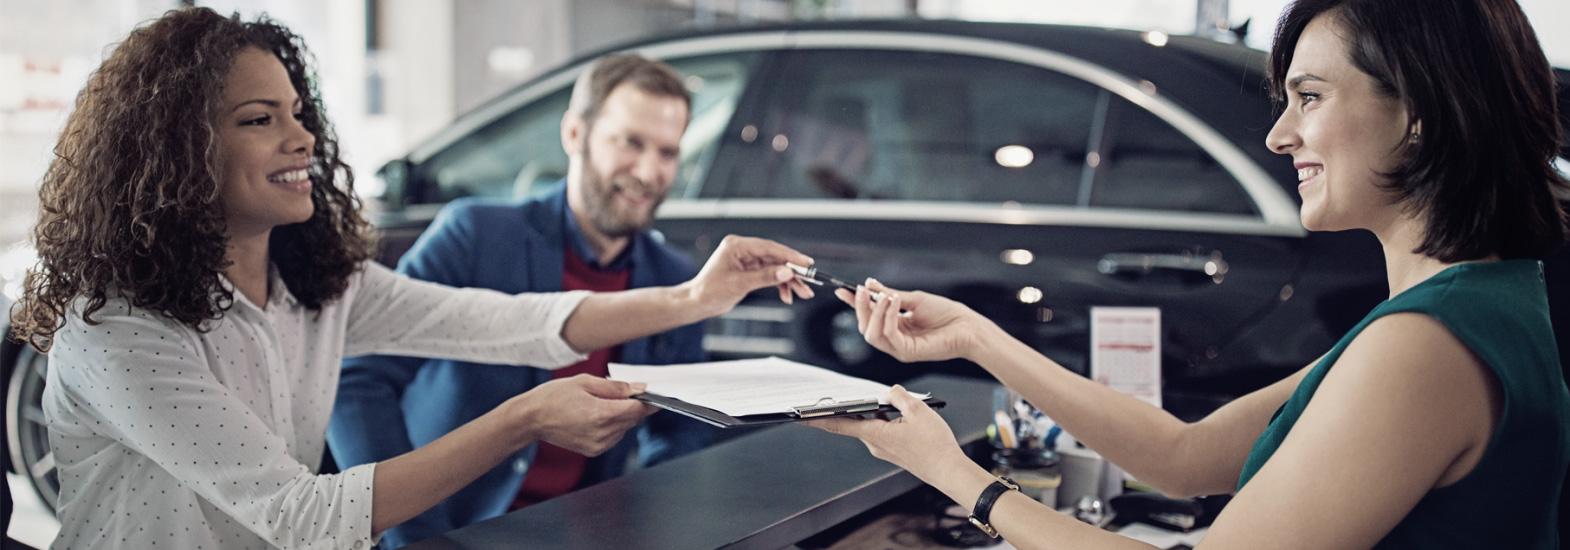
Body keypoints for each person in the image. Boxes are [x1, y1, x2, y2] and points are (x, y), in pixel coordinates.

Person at [8, 8, 813, 549]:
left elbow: (508, 322)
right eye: (260, 120)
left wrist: (692, 298)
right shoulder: (115, 327)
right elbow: (304, 515)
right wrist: (522, 418)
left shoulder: (316, 283)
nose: (303, 139)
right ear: (175, 153)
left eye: (298, 113)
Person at [811, 0, 1570, 548]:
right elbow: (1185, 458)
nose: (1280, 135)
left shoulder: (1425, 347)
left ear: (1420, 114)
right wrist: (978, 338)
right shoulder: (1472, 303)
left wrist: (957, 477)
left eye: (1309, 97)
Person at [328, 54, 718, 547]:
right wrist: (407, 533)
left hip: (580, 530)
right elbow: (359, 380)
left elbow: (678, 431)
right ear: (575, 135)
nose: (648, 171)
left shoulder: (675, 281)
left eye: (667, 152)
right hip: (450, 526)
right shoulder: (475, 234)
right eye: (630, 142)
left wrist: (662, 526)